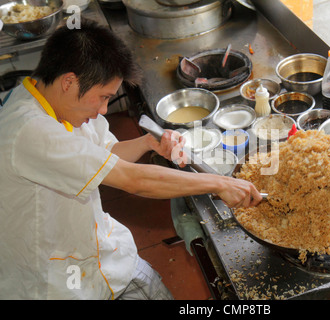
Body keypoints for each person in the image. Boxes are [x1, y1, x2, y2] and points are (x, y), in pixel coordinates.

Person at [0, 19, 261, 300]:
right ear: (69, 82)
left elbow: (105, 157)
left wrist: (148, 142)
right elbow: (132, 180)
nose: (103, 110)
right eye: (102, 97)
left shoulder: (60, 103)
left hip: (105, 255)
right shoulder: (29, 131)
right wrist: (218, 183)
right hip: (57, 283)